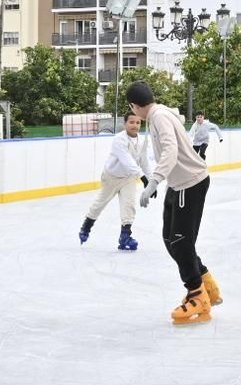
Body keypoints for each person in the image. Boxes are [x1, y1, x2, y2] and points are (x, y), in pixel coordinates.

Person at [130, 80, 220, 324]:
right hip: (179, 184)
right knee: (171, 240)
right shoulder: (162, 113)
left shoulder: (158, 118)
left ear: (134, 106)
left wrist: (153, 181)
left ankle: (197, 296)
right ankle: (207, 285)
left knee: (181, 242)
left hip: (189, 183)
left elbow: (170, 150)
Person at [79, 112, 153, 251]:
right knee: (100, 204)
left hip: (129, 178)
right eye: (131, 122)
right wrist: (143, 177)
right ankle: (86, 227)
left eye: (138, 123)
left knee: (129, 206)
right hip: (112, 177)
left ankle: (125, 236)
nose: (135, 125)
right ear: (125, 124)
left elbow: (144, 161)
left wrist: (151, 181)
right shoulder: (119, 139)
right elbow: (127, 161)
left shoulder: (142, 141)